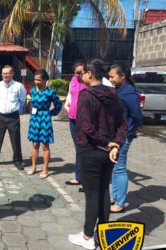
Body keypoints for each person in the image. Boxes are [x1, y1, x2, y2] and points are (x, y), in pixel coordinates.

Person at [68, 59, 127, 250]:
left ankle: (87, 236)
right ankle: (103, 236)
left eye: (84, 72)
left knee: (93, 195)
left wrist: (108, 143)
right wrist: (115, 144)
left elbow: (85, 127)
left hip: (92, 150)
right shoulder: (113, 93)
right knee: (103, 192)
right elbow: (122, 124)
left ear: (90, 74)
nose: (82, 75)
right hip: (109, 153)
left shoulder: (86, 94)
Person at [108, 63, 143, 213]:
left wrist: (134, 129)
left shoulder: (129, 93)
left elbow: (137, 115)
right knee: (114, 167)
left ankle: (120, 202)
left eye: (112, 77)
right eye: (109, 76)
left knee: (119, 168)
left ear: (122, 76)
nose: (110, 79)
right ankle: (114, 195)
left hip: (123, 135)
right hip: (115, 134)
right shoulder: (118, 89)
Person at [0, 65, 26, 170]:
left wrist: (15, 109)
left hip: (13, 117)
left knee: (15, 139)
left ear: (12, 74)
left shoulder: (19, 86)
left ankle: (18, 161)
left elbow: (22, 100)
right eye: (4, 73)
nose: (5, 75)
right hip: (0, 116)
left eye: (8, 73)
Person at [26, 69, 62, 178]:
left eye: (39, 80)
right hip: (34, 119)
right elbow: (32, 103)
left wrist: (50, 113)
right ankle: (33, 167)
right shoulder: (32, 90)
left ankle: (45, 169)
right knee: (34, 144)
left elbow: (58, 105)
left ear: (45, 80)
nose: (36, 82)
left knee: (45, 145)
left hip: (45, 119)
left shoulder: (50, 92)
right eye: (35, 79)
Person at [64, 62, 86, 187]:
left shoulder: (90, 81)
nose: (79, 75)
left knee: (86, 148)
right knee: (78, 148)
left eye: (81, 72)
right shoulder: (73, 80)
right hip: (73, 118)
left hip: (85, 119)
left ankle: (87, 179)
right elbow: (70, 94)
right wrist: (67, 104)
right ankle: (79, 177)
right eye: (77, 73)